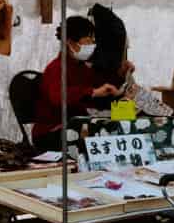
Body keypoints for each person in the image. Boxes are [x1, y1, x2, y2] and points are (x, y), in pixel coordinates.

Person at [32, 15, 119, 148]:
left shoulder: (83, 68)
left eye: (93, 40)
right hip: (51, 133)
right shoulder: (56, 68)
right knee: (99, 136)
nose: (92, 45)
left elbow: (99, 88)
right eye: (88, 40)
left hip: (78, 125)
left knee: (122, 122)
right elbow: (58, 96)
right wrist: (92, 92)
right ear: (71, 43)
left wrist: (120, 78)